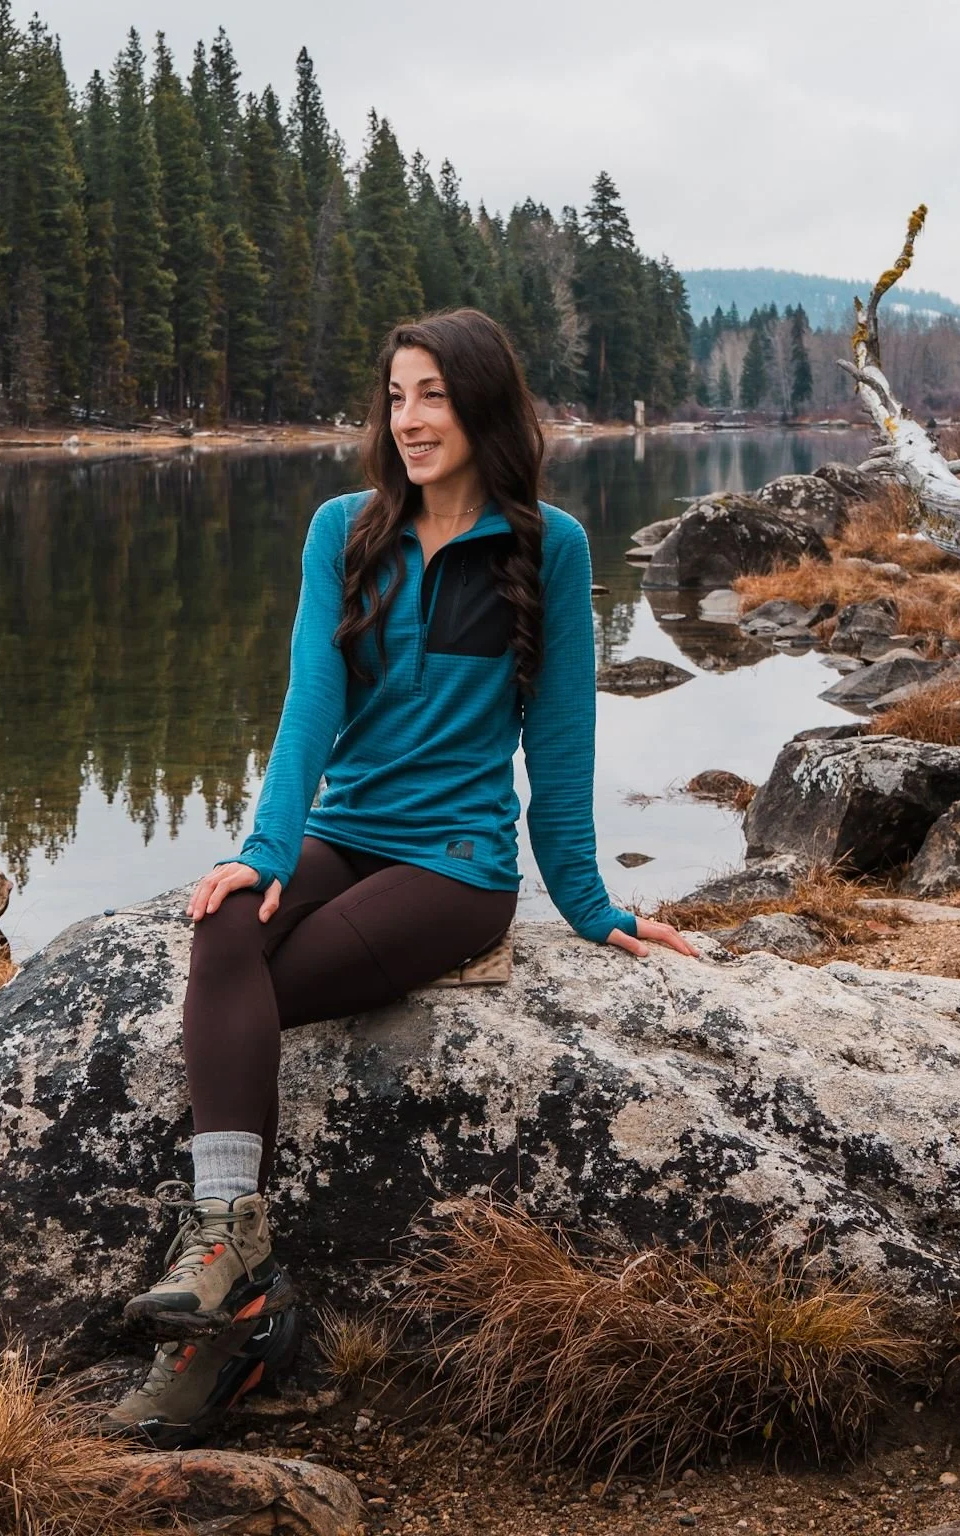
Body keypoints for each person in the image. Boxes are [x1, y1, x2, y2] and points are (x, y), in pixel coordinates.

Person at [107, 307, 698, 1445]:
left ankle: (226, 1328)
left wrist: (588, 905)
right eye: (395, 398)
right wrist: (263, 853)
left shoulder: (548, 547)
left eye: (432, 395)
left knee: (247, 1001)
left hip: (454, 863)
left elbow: (558, 744)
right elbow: (309, 705)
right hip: (343, 830)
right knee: (225, 933)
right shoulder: (343, 530)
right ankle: (232, 1255)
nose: (409, 420)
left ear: (482, 405)